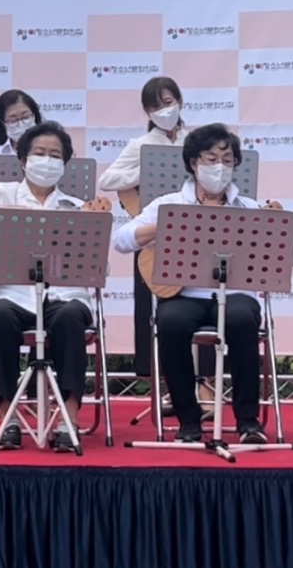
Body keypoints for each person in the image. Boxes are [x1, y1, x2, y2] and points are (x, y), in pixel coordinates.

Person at [111, 124, 268, 444]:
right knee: (171, 321)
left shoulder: (249, 207)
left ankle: (248, 421)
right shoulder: (168, 204)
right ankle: (188, 420)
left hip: (235, 293)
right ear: (194, 163)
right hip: (184, 293)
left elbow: (278, 255)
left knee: (241, 318)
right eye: (211, 159)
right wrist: (164, 225)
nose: (219, 167)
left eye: (227, 160)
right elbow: (122, 240)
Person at [0, 121, 95, 452]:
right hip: (11, 293)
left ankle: (69, 418)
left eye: (55, 155)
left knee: (71, 317)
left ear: (65, 164)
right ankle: (8, 415)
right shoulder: (2, 193)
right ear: (23, 160)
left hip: (62, 294)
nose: (47, 161)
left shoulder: (74, 206)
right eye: (39, 153)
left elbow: (97, 266)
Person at [97, 76, 212, 411]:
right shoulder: (141, 145)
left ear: (180, 101)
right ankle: (169, 386)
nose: (164, 110)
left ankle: (206, 388)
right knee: (158, 311)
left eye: (168, 102)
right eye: (155, 106)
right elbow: (108, 179)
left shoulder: (195, 141)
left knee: (205, 303)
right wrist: (146, 170)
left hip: (197, 235)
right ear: (147, 111)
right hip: (155, 236)